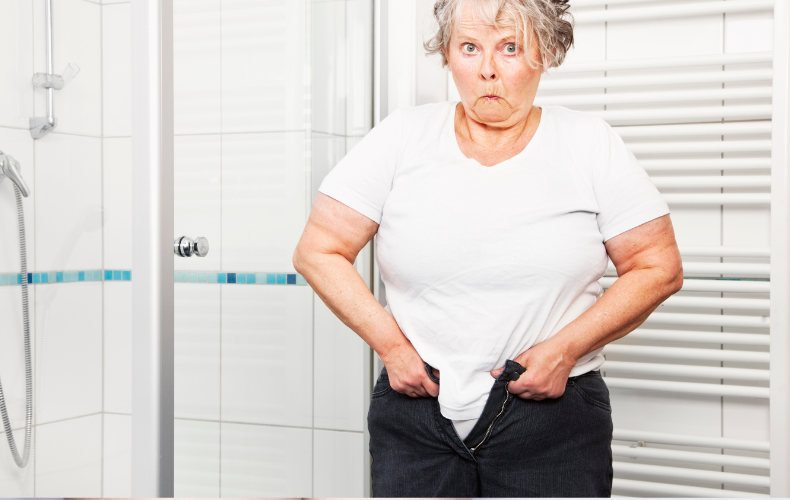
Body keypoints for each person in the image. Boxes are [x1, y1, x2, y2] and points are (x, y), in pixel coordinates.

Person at [292, 0, 684, 496]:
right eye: (470, 48)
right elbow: (318, 250)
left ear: (545, 54)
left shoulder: (588, 144)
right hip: (417, 419)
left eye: (511, 48)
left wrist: (563, 353)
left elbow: (658, 267)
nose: (488, 71)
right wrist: (390, 346)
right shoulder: (401, 138)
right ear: (449, 55)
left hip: (552, 423)